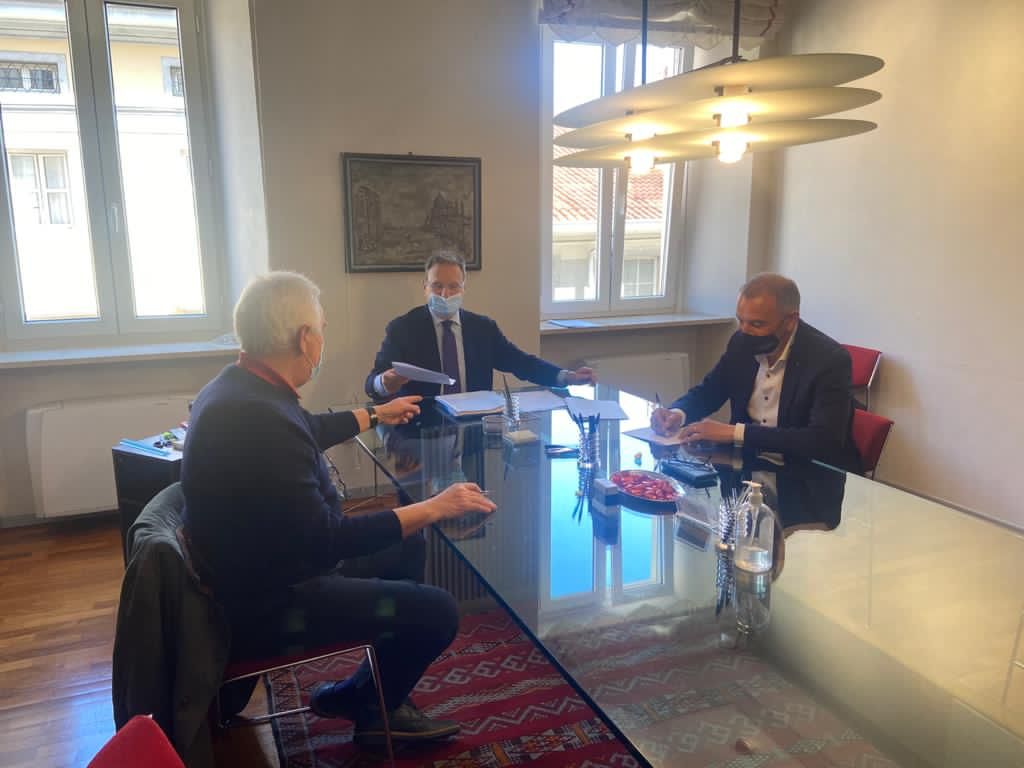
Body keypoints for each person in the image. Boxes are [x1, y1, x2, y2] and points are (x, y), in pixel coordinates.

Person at [181, 271, 496, 747]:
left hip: (262, 570)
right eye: (323, 328)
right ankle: (365, 704)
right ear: (305, 339)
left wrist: (375, 413)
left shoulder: (240, 388)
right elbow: (328, 540)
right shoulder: (256, 416)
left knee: (409, 547)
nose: (323, 338)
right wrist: (433, 506)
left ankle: (369, 698)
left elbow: (304, 427)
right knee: (438, 612)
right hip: (269, 603)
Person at [650, 273, 862, 471]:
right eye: (741, 320)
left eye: (757, 324)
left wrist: (736, 433)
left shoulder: (829, 360)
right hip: (746, 465)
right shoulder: (740, 342)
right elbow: (710, 390)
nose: (744, 331)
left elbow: (822, 440)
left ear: (790, 321)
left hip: (806, 475)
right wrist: (678, 413)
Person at [366, 250, 594, 400]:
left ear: (464, 288)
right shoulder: (402, 329)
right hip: (422, 432)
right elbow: (372, 384)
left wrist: (566, 377)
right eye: (437, 286)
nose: (445, 294)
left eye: (453, 286)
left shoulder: (483, 328)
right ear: (425, 287)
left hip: (474, 429)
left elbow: (522, 363)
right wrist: (384, 383)